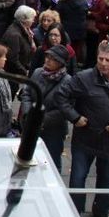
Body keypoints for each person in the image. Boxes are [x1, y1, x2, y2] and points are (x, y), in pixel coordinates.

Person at [56, 44, 109, 217]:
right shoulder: (82, 78)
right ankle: (74, 212)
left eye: (108, 60)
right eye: (100, 59)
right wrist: (75, 117)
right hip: (85, 139)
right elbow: (61, 97)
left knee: (106, 180)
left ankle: (101, 212)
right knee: (78, 178)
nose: (103, 63)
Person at [20, 44, 72, 172]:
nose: (47, 60)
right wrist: (29, 114)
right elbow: (26, 93)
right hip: (31, 127)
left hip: (53, 131)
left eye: (53, 58)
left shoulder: (68, 81)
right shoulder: (38, 72)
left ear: (61, 63)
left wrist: (41, 119)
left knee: (51, 164)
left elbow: (65, 109)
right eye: (47, 56)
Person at [56, 0, 89, 66]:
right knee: (78, 47)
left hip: (67, 27)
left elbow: (58, 13)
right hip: (80, 28)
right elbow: (86, 13)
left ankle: (66, 62)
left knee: (66, 45)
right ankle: (76, 62)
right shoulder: (84, 1)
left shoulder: (63, 1)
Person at [1, 5, 37, 77]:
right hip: (13, 75)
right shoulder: (14, 35)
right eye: (32, 18)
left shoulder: (25, 30)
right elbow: (13, 59)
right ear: (25, 20)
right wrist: (25, 72)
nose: (33, 21)